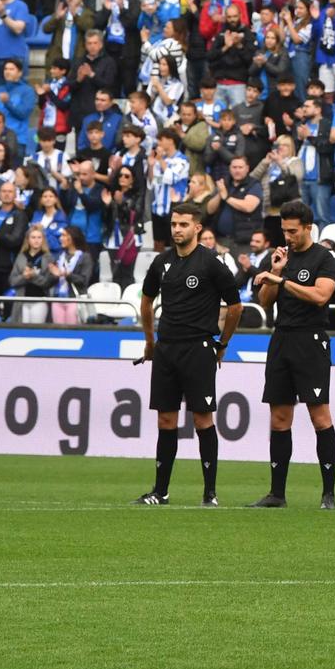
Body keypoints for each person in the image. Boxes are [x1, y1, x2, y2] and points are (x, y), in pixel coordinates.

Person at [132, 201, 242, 507]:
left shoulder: (211, 263)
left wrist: (222, 344)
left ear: (198, 228)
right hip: (167, 349)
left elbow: (235, 307)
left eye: (183, 224)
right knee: (166, 420)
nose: (177, 229)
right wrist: (150, 342)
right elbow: (146, 301)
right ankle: (160, 491)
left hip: (199, 348)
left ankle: (210, 494)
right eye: (174, 224)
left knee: (203, 419)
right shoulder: (162, 262)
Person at [246, 199, 335, 509]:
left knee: (319, 415)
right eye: (285, 230)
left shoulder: (324, 258)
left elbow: (320, 296)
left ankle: (328, 493)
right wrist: (275, 271)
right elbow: (264, 301)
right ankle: (277, 493)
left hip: (311, 341)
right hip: (282, 339)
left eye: (293, 231)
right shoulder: (279, 259)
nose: (288, 237)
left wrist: (281, 280)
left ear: (308, 228)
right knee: (279, 417)